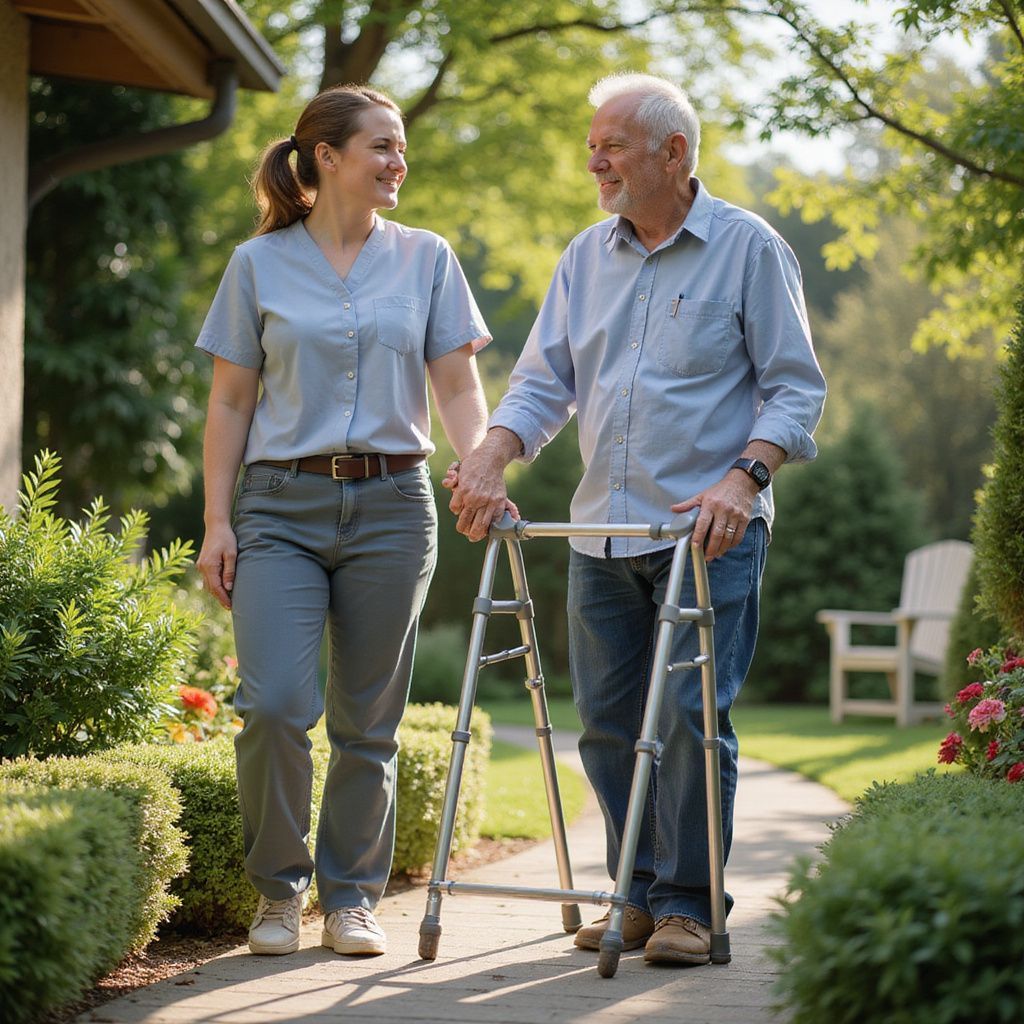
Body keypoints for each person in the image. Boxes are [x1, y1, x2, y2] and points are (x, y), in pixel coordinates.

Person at [448, 73, 826, 966]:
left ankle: (692, 906)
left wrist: (746, 477)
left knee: (695, 715)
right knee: (610, 724)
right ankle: (636, 891)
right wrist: (491, 452)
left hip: (709, 532)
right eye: (593, 145)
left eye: (611, 145)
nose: (594, 161)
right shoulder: (586, 256)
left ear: (674, 153)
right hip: (600, 535)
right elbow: (546, 381)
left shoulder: (748, 248)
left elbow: (796, 387)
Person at [195, 85, 493, 959]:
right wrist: (219, 521)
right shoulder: (259, 265)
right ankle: (279, 893)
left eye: (401, 148)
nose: (400, 162)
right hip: (278, 506)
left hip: (393, 507)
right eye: (383, 147)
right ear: (326, 156)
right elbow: (231, 401)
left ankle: (351, 898)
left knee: (369, 721)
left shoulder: (427, 258)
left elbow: (456, 384)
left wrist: (480, 461)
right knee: (277, 707)